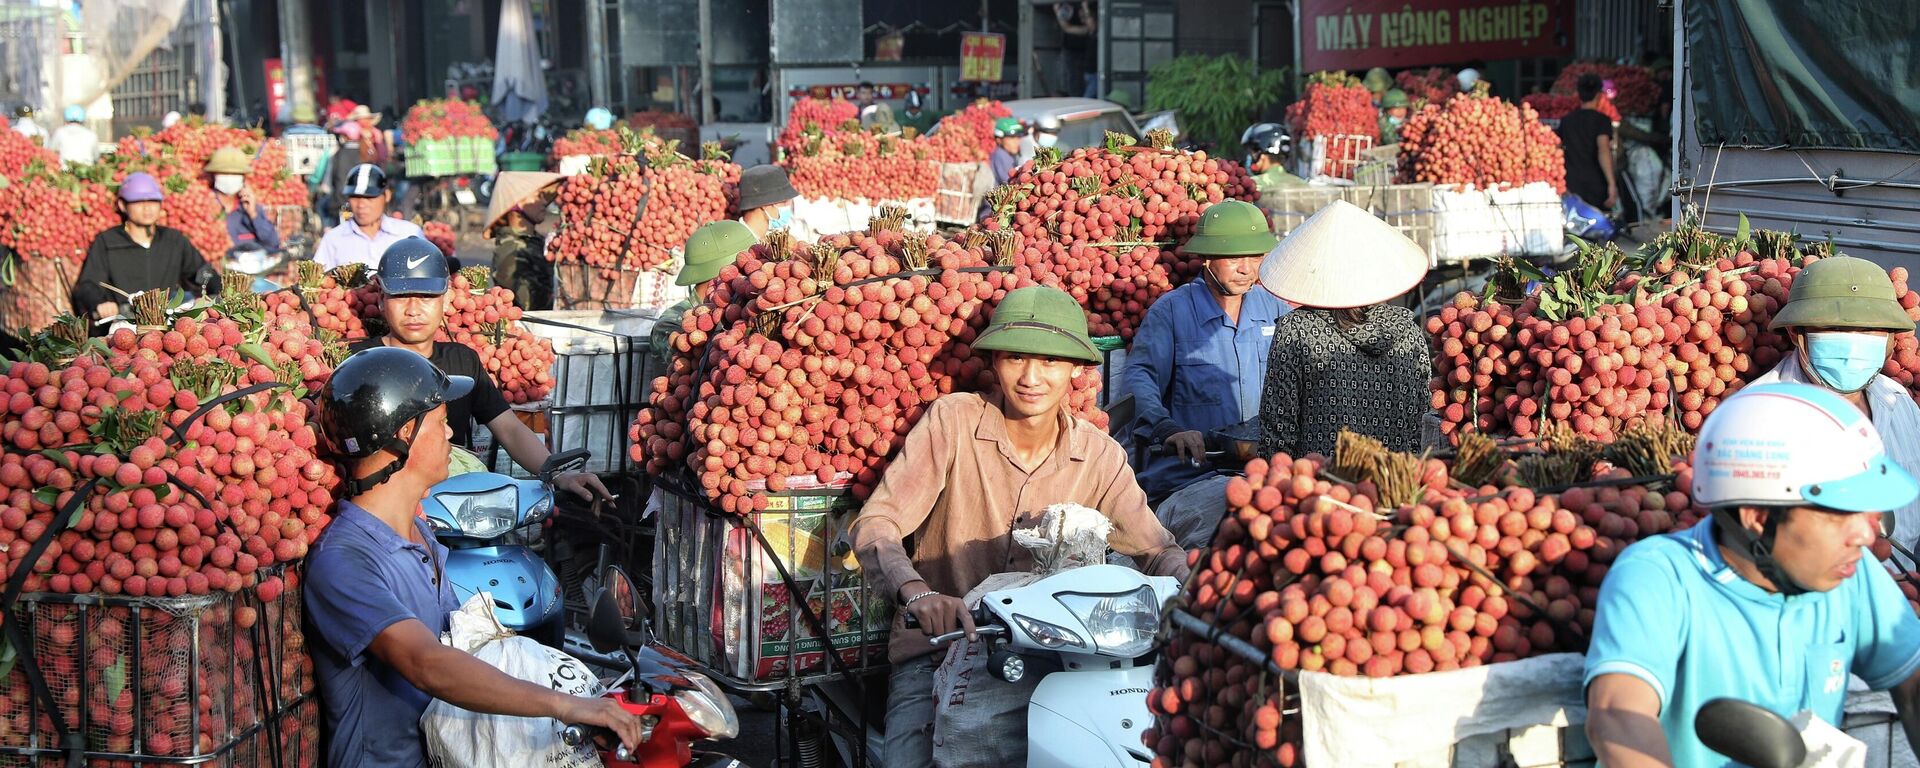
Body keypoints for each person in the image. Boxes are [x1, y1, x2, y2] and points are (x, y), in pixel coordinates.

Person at [850, 285, 1190, 768]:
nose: (1032, 378)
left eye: (1050, 362)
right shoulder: (953, 422)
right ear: (994, 363)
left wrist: (1195, 585)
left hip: (1059, 657)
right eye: (1015, 358)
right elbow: (878, 522)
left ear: (1076, 369)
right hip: (939, 649)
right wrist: (919, 594)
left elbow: (1154, 548)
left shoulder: (1097, 454)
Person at [307, 347, 643, 767]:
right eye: (441, 425)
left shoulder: (419, 533)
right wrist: (566, 706)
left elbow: (464, 643)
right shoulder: (345, 560)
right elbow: (426, 662)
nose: (450, 437)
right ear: (399, 441)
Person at [1584, 382, 1920, 768]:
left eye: (1869, 512)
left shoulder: (1851, 575)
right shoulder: (1658, 578)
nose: (1865, 535)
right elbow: (1618, 716)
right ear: (1759, 518)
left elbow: (1913, 684)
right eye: (1839, 515)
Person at [348, 238, 613, 504]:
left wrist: (558, 473)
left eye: (427, 297)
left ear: (447, 300)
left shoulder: (463, 361)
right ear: (381, 300)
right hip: (384, 501)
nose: (414, 309)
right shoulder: (357, 363)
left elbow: (508, 428)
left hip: (451, 504)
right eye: (401, 296)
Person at [1747, 255, 1920, 550]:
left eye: (1868, 330)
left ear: (1891, 339)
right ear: (1795, 333)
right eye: (1832, 328)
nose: (1852, 341)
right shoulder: (1755, 418)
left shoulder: (1901, 403)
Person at [1124, 200, 1287, 505]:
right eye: (1234, 258)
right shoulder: (1171, 313)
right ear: (1207, 258)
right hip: (1189, 477)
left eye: (1255, 257)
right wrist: (1165, 427)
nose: (1246, 269)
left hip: (1263, 476)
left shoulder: (1275, 308)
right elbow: (1139, 378)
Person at [1257, 200, 1429, 458]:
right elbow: (1421, 414)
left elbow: (1278, 424)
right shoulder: (1407, 329)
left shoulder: (1296, 329)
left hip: (1322, 483)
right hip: (1395, 478)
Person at [71, 173, 215, 331]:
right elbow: (88, 284)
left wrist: (217, 291)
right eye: (138, 202)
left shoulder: (173, 240)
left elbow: (202, 272)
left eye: (153, 201)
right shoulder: (107, 241)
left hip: (165, 327)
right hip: (122, 327)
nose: (147, 208)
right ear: (122, 205)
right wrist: (99, 303)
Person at [648, 220, 755, 378]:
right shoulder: (672, 322)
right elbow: (692, 360)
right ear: (722, 275)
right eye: (744, 272)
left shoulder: (737, 310)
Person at [313, 163, 423, 270]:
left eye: (370, 198)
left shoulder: (410, 234)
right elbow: (318, 283)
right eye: (355, 197)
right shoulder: (333, 240)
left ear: (387, 196)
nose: (361, 205)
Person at [484, 171, 563, 310]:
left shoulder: (535, 241)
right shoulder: (511, 250)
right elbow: (529, 305)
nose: (545, 202)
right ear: (517, 203)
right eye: (538, 196)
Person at [204, 146, 282, 252]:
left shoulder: (252, 209)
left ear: (243, 178)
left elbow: (273, 244)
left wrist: (253, 214)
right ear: (213, 176)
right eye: (224, 173)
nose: (229, 177)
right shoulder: (204, 206)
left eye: (235, 174)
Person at [1557, 74, 1617, 211]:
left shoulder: (1567, 120)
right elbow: (1603, 150)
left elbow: (1557, 150)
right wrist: (1611, 184)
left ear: (1578, 94)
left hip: (1572, 184)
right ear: (1599, 95)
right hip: (1595, 185)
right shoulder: (1602, 120)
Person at [1241, 123, 1308, 195]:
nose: (1251, 156)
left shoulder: (1252, 185)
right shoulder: (1302, 184)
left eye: (1253, 152)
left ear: (1262, 154)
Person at [736, 165, 798, 240]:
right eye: (784, 202)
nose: (788, 207)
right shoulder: (737, 244)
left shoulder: (770, 240)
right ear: (764, 205)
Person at [990, 118, 1024, 186]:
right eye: (1012, 138)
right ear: (999, 140)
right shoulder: (1000, 155)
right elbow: (1009, 181)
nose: (1016, 141)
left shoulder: (1011, 154)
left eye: (1018, 137)